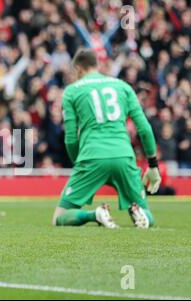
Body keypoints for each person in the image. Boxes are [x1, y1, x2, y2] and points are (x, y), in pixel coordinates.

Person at [53, 49, 161, 229]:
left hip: (92, 156)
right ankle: (140, 214)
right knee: (144, 212)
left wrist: (78, 161)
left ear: (78, 69)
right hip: (123, 156)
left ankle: (95, 214)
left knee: (60, 217)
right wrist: (153, 164)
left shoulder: (71, 91)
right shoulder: (123, 86)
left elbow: (71, 138)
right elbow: (144, 128)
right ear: (97, 65)